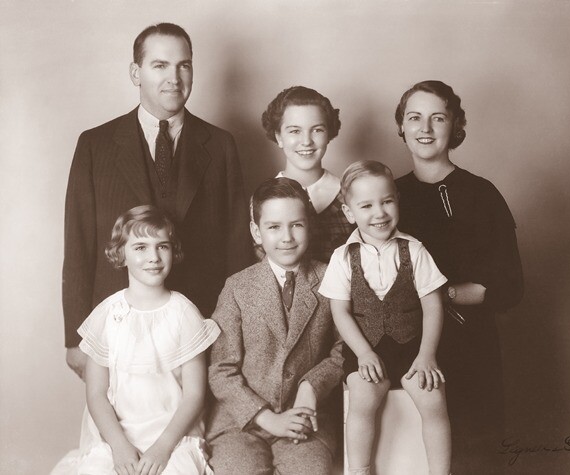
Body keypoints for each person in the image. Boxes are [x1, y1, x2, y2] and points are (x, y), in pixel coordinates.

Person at [63, 23, 252, 380]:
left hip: (201, 324)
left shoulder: (221, 144)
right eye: (160, 65)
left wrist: (233, 327)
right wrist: (76, 335)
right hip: (119, 326)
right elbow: (78, 242)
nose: (175, 78)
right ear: (136, 72)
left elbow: (237, 244)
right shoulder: (95, 145)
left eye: (184, 65)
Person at [394, 80, 524, 472]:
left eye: (438, 117)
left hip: (470, 351)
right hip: (406, 351)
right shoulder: (390, 196)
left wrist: (441, 295)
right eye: (414, 117)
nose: (426, 128)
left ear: (455, 126)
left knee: (473, 460)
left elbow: (509, 287)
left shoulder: (482, 194)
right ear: (401, 126)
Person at [52, 205, 220, 475]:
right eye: (140, 247)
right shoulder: (107, 313)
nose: (153, 256)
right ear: (122, 254)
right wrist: (118, 446)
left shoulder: (184, 313)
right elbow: (96, 394)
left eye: (162, 246)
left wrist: (163, 447)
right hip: (118, 437)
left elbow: (194, 394)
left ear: (173, 252)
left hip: (172, 437)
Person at [320, 160, 451, 475]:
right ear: (350, 212)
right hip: (366, 348)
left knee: (433, 400)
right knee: (362, 400)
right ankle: (360, 470)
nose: (378, 213)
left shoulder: (415, 250)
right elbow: (339, 310)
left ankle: (441, 471)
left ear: (397, 201)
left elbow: (433, 306)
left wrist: (427, 355)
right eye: (366, 205)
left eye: (387, 201)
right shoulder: (342, 257)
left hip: (412, 347)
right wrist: (363, 353)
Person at [206, 177, 344, 475]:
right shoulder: (237, 287)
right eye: (273, 227)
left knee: (311, 470)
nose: (287, 237)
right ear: (256, 232)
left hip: (306, 419)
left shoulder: (332, 279)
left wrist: (311, 386)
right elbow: (221, 370)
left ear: (310, 225)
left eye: (297, 224)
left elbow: (344, 349)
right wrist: (266, 418)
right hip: (240, 423)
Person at [261, 86, 354, 263]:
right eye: (295, 131)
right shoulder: (262, 201)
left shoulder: (349, 196)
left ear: (329, 135)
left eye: (317, 130)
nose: (306, 141)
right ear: (279, 137)